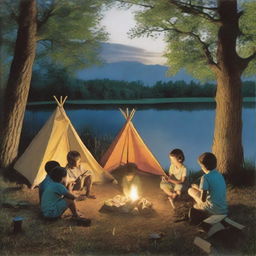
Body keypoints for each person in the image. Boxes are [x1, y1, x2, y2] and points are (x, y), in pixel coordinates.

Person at [188, 152, 228, 222]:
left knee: (190, 191)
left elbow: (203, 199)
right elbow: (212, 190)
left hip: (212, 210)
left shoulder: (205, 177)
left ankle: (205, 213)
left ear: (203, 166)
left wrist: (198, 192)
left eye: (201, 166)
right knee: (194, 190)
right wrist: (198, 188)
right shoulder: (219, 175)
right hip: (223, 210)